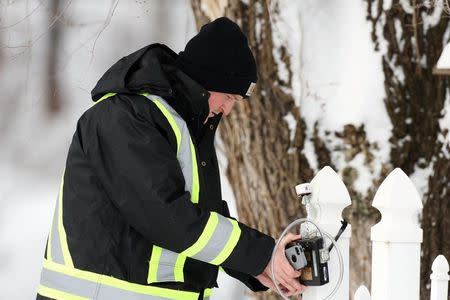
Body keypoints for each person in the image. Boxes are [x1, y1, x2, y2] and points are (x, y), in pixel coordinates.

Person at [36, 17, 305, 299]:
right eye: (227, 96)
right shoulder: (124, 117)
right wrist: (260, 255)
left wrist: (254, 267)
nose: (227, 109)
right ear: (206, 80)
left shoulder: (182, 125)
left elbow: (201, 217)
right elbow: (167, 216)